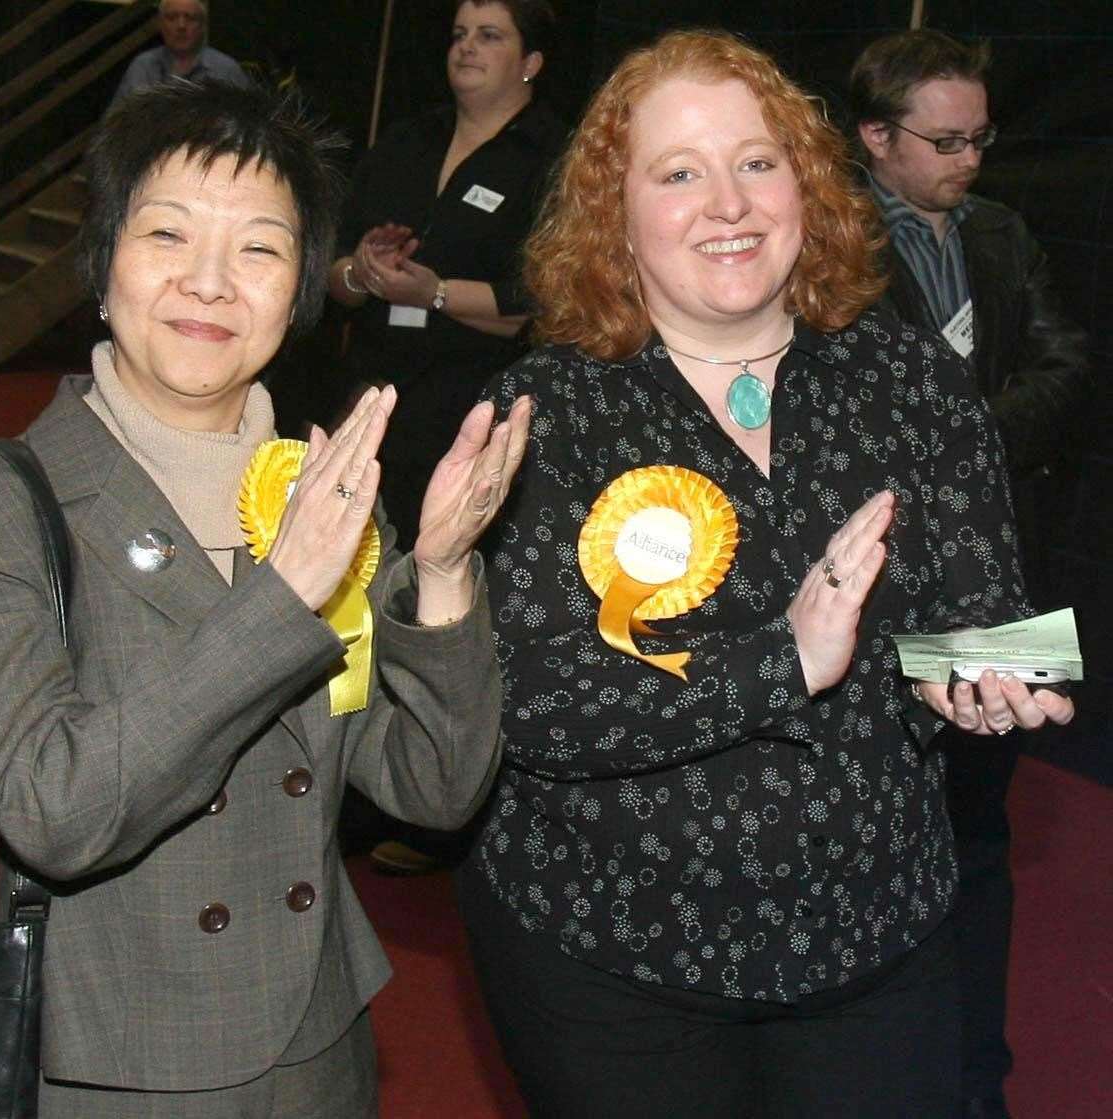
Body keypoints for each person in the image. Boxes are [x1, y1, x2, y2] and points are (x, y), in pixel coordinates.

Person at [459, 29, 1076, 1118]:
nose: (727, 204)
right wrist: (781, 660)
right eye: (678, 173)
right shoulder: (545, 411)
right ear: (615, 211)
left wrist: (972, 677)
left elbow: (976, 606)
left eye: (755, 161)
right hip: (616, 961)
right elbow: (529, 704)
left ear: (806, 182)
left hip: (877, 940)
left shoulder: (907, 374)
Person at [0, 79, 529, 1118]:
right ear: (101, 267)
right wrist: (281, 594)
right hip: (118, 1063)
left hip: (317, 1046)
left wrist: (449, 572)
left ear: (301, 293)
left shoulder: (318, 489)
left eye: (260, 250)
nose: (211, 284)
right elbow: (54, 807)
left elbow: (432, 789)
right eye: (168, 236)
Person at [849, 31, 1090, 1118]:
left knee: (979, 836)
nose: (967, 161)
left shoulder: (1000, 231)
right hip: (871, 587)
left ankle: (970, 1079)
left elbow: (1066, 365)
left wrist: (959, 433)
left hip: (1001, 579)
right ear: (873, 139)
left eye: (978, 139)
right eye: (943, 141)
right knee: (867, 834)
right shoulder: (822, 242)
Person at [328, 0, 565, 551]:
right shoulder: (406, 141)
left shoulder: (555, 158)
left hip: (475, 409)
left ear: (530, 61)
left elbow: (535, 302)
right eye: (459, 34)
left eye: (488, 36)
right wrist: (361, 271)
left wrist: (432, 293)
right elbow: (330, 274)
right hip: (375, 394)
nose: (466, 46)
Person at [111, 0, 248, 107]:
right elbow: (114, 122)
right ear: (160, 25)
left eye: (190, 18)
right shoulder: (142, 66)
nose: (181, 26)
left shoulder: (227, 70)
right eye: (172, 17)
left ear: (202, 26)